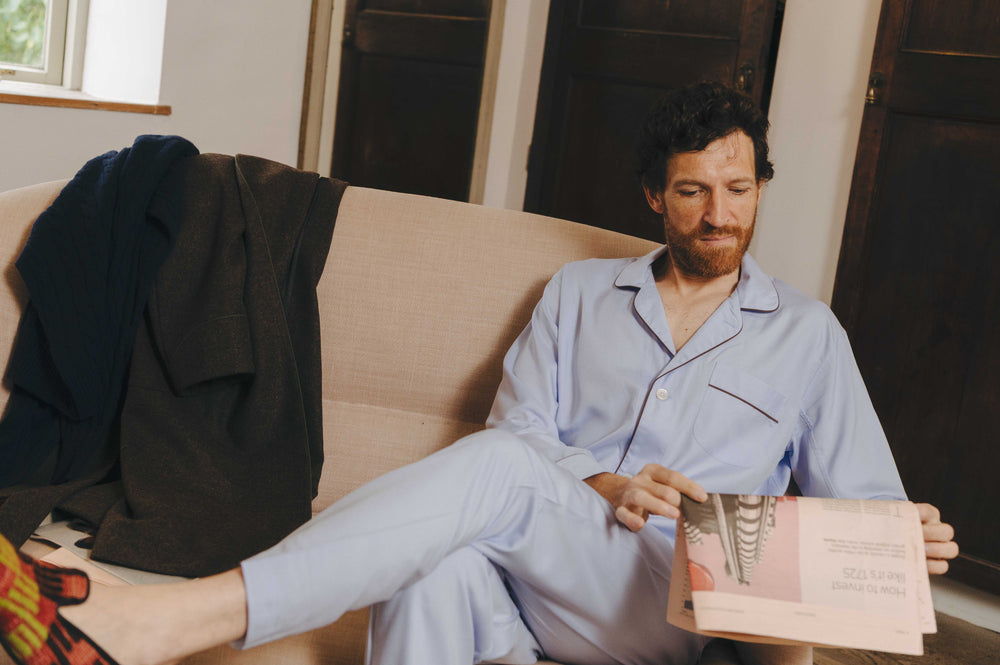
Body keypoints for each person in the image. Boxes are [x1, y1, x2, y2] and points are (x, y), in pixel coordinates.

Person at [0, 82, 958, 665]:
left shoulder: (807, 334)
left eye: (740, 190)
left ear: (760, 191)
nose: (720, 215)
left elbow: (862, 512)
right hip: (532, 566)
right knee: (435, 562)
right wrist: (608, 481)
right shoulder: (580, 292)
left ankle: (172, 621)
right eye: (695, 191)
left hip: (672, 597)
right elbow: (523, 431)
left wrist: (901, 537)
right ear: (654, 197)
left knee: (496, 473)